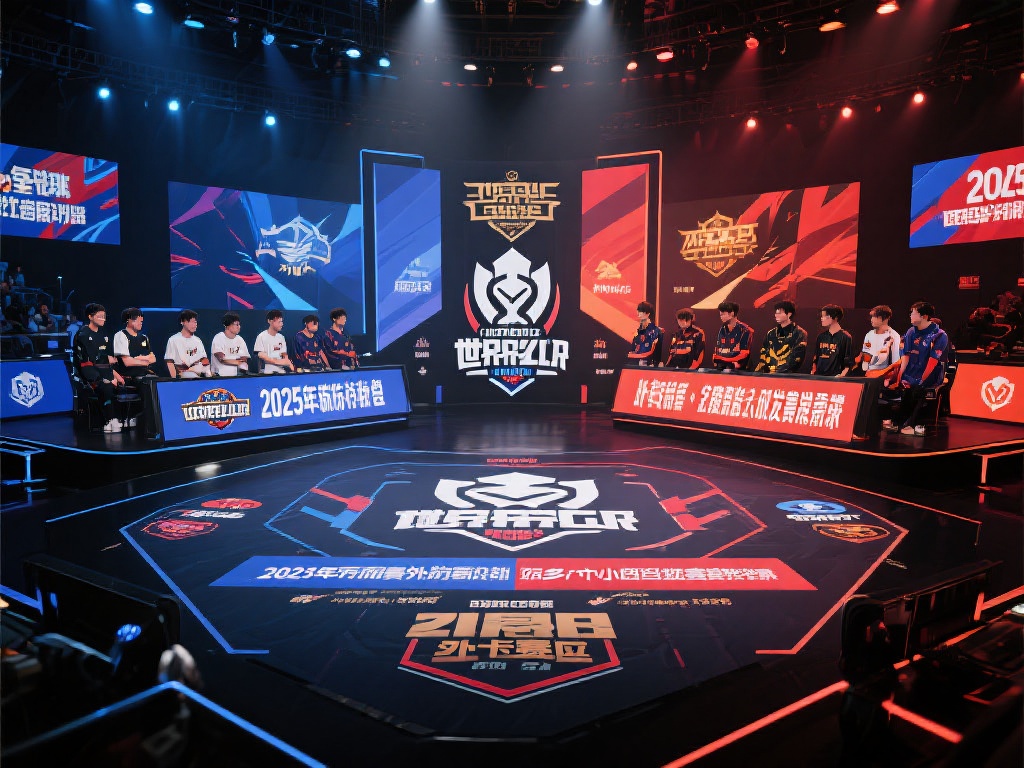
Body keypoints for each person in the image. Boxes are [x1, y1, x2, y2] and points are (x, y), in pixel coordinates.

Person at [884, 301, 949, 436]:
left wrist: (921, 380)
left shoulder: (939, 335)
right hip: (912, 371)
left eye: (913, 313)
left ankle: (913, 424)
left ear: (924, 316)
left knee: (918, 389)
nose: (910, 316)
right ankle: (900, 422)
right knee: (905, 388)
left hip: (931, 373)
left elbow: (932, 362)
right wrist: (901, 375)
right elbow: (906, 355)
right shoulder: (911, 331)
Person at [73, 303, 125, 432]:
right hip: (87, 371)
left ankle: (122, 418)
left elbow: (107, 359)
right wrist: (108, 375)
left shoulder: (103, 334)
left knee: (122, 383)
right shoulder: (83, 334)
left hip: (102, 369)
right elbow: (93, 359)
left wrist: (115, 375)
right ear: (90, 317)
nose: (103, 319)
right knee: (106, 386)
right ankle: (110, 420)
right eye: (100, 316)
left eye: (104, 316)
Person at [113, 307, 159, 430]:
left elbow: (153, 359)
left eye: (141, 320)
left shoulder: (144, 338)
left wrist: (138, 358)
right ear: (128, 320)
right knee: (148, 385)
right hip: (130, 376)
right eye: (137, 320)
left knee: (159, 383)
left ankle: (157, 420)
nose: (140, 322)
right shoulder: (121, 336)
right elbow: (127, 362)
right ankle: (149, 425)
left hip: (146, 374)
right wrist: (145, 360)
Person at [755, 300, 807, 373]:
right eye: (776, 313)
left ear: (789, 314)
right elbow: (763, 355)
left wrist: (778, 370)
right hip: (768, 375)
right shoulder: (771, 333)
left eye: (779, 313)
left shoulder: (799, 333)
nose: (776, 315)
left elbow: (796, 359)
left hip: (787, 375)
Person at [810, 304, 856, 377]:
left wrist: (842, 375)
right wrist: (813, 372)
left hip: (835, 378)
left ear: (835, 317)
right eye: (822, 316)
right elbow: (816, 358)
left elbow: (848, 362)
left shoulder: (845, 337)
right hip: (819, 377)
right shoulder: (821, 337)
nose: (822, 318)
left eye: (825, 316)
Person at [164, 309, 211, 378]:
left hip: (197, 375)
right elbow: (169, 362)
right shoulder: (173, 340)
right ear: (182, 322)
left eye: (195, 322)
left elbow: (204, 360)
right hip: (182, 376)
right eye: (191, 322)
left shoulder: (197, 340)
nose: (194, 325)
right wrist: (175, 380)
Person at [861, 305, 901, 377]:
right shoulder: (869, 335)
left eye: (875, 317)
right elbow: (865, 358)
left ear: (884, 319)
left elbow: (895, 362)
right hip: (869, 374)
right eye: (871, 317)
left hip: (885, 375)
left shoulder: (894, 336)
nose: (871, 319)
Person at [711, 301, 753, 370]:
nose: (721, 317)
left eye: (723, 314)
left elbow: (743, 355)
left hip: (740, 370)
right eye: (720, 315)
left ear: (732, 313)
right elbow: (717, 354)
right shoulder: (722, 329)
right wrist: (730, 354)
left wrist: (724, 356)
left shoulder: (745, 330)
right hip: (723, 367)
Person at [210, 312, 251, 376]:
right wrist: (237, 362)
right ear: (228, 325)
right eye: (236, 324)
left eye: (239, 324)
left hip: (235, 376)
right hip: (219, 376)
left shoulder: (240, 339)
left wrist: (233, 361)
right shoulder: (219, 337)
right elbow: (222, 359)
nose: (239, 327)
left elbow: (244, 359)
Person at [626, 301, 664, 366]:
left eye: (641, 311)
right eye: (638, 311)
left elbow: (657, 352)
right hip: (635, 363)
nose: (638, 313)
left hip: (649, 364)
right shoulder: (637, 331)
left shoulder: (657, 331)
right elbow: (633, 348)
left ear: (648, 313)